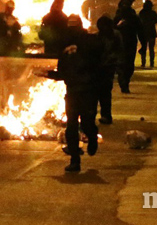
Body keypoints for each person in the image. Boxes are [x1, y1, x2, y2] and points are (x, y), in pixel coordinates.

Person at [48, 14, 100, 173]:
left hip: (87, 90)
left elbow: (97, 65)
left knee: (86, 123)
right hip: (74, 91)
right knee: (71, 126)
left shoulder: (90, 43)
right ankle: (75, 161)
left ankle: (92, 138)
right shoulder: (66, 46)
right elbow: (63, 70)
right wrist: (51, 74)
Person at [95, 15, 123, 125]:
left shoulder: (115, 35)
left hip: (108, 67)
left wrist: (116, 64)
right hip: (100, 67)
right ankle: (103, 115)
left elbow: (119, 51)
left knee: (105, 93)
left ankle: (106, 115)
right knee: (100, 92)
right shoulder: (98, 36)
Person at [114, 0, 144, 93]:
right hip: (125, 42)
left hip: (127, 42)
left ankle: (124, 82)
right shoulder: (124, 15)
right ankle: (124, 83)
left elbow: (140, 29)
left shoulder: (131, 15)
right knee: (126, 64)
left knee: (126, 64)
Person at [138, 0, 157, 68]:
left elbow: (139, 21)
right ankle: (151, 63)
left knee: (144, 48)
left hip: (144, 32)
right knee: (151, 49)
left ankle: (143, 63)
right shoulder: (153, 13)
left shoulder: (142, 12)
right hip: (151, 32)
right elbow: (156, 20)